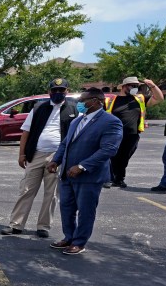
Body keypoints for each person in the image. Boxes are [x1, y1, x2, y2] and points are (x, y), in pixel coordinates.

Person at [47, 88, 123, 255]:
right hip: (67, 175)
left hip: (88, 176)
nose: (79, 104)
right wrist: (56, 160)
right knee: (66, 208)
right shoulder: (77, 121)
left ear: (96, 101)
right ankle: (69, 237)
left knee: (85, 211)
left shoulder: (111, 122)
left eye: (83, 100)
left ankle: (79, 242)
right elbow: (65, 144)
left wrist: (82, 166)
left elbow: (108, 150)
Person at [1, 78, 78, 239]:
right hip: (35, 154)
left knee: (52, 194)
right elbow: (26, 133)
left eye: (61, 90)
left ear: (67, 91)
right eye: (54, 90)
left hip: (57, 157)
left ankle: (43, 226)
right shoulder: (38, 108)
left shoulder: (73, 109)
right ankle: (16, 224)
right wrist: (21, 154)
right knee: (27, 190)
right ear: (49, 92)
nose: (58, 93)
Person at [103, 76, 164, 188]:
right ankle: (110, 178)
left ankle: (119, 179)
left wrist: (152, 85)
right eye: (133, 86)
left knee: (124, 157)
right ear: (124, 86)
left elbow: (159, 98)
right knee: (112, 157)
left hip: (132, 135)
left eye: (136, 86)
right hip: (114, 134)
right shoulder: (111, 100)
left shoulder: (139, 99)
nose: (135, 88)